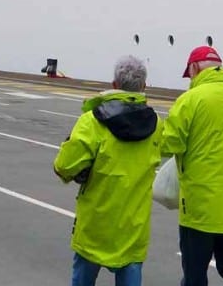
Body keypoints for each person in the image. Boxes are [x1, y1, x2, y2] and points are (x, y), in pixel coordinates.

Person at [54, 56, 161, 286]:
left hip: (95, 225)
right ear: (143, 86)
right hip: (133, 229)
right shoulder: (157, 126)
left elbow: (63, 167)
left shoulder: (92, 121)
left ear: (114, 84)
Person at [162, 46, 223, 286]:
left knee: (195, 276)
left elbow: (169, 143)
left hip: (200, 209)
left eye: (190, 74)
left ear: (194, 68)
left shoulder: (190, 100)